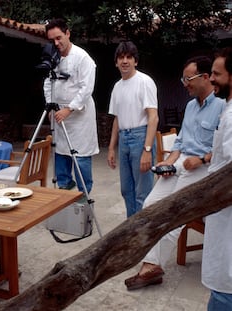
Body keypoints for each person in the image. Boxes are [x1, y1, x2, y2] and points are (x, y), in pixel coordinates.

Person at [124, 55, 225, 290]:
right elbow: (180, 143)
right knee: (150, 204)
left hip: (205, 170)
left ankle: (151, 267)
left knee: (174, 212)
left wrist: (200, 159)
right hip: (181, 166)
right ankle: (151, 261)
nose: (184, 83)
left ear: (206, 77)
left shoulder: (223, 107)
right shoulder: (190, 106)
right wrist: (166, 163)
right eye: (183, 78)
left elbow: (222, 151)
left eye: (188, 78)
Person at [43, 18, 99, 194]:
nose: (56, 43)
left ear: (67, 33)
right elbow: (47, 82)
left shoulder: (83, 58)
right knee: (61, 157)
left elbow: (86, 88)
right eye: (52, 40)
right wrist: (51, 106)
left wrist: (69, 108)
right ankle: (64, 197)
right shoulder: (54, 56)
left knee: (80, 159)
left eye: (59, 38)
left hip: (79, 118)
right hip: (60, 117)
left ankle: (84, 202)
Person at [107, 41, 159, 217]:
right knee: (126, 190)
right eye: (121, 57)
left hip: (140, 137)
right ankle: (131, 230)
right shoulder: (117, 87)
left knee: (142, 193)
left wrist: (147, 149)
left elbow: (153, 116)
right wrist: (111, 148)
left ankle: (143, 234)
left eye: (129, 57)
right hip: (124, 139)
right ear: (116, 62)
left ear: (135, 61)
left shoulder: (145, 81)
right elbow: (117, 119)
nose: (125, 61)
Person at [202, 46, 232, 310]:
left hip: (227, 220)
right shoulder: (228, 110)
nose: (211, 79)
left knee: (223, 291)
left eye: (216, 74)